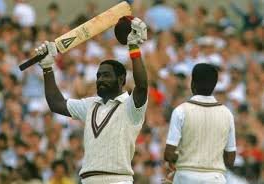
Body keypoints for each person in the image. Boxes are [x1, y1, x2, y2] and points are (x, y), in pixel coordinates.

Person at [34, 17, 148, 184]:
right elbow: (56, 103)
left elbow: (142, 86)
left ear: (121, 79)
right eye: (98, 76)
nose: (100, 79)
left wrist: (134, 47)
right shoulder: (90, 105)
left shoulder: (131, 106)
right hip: (88, 180)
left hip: (118, 180)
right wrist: (47, 68)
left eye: (106, 75)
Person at [164, 63, 236, 184]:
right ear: (214, 86)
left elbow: (169, 155)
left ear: (192, 84)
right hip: (215, 179)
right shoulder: (227, 114)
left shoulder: (180, 111)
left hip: (185, 178)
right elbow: (230, 160)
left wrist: (189, 158)